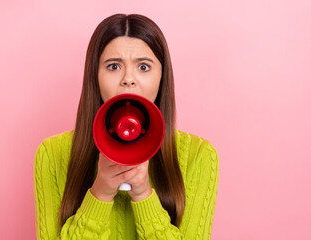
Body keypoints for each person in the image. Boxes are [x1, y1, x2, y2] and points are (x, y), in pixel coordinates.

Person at [34, 13, 219, 240]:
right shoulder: (52, 153)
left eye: (143, 67)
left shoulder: (198, 155)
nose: (128, 79)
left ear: (162, 77)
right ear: (95, 76)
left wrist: (143, 195)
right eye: (113, 66)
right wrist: (100, 192)